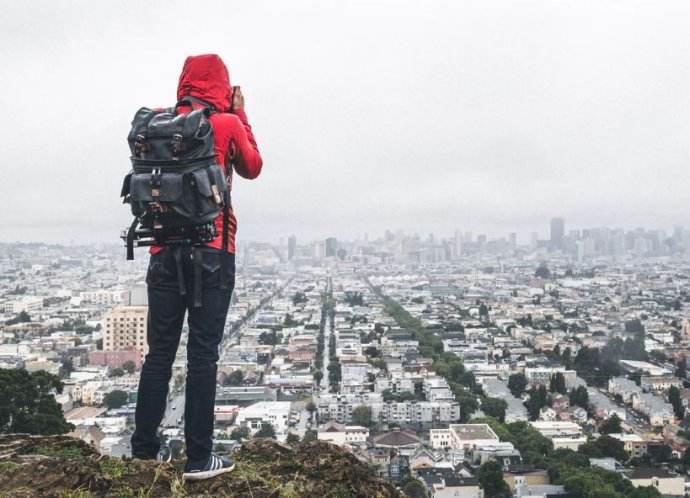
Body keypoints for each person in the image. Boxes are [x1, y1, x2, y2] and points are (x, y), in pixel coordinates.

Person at [131, 54, 262, 481]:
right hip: (211, 252)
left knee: (159, 355)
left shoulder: (159, 127)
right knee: (202, 355)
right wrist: (240, 112)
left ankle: (145, 451)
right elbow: (253, 167)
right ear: (222, 86)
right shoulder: (224, 124)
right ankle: (200, 459)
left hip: (161, 253)